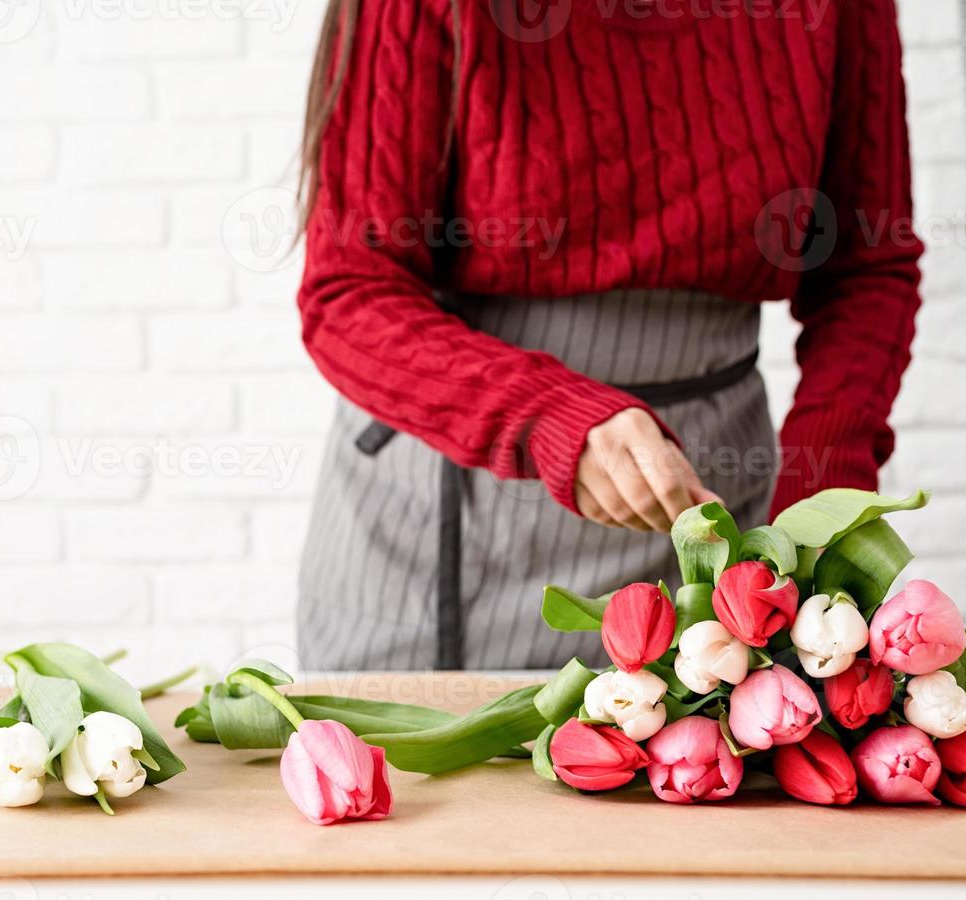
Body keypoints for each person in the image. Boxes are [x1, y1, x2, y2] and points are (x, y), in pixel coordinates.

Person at [295, 0, 923, 671]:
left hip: (714, 503)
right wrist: (549, 416)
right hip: (451, 510)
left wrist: (817, 489)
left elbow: (866, 267)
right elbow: (349, 291)